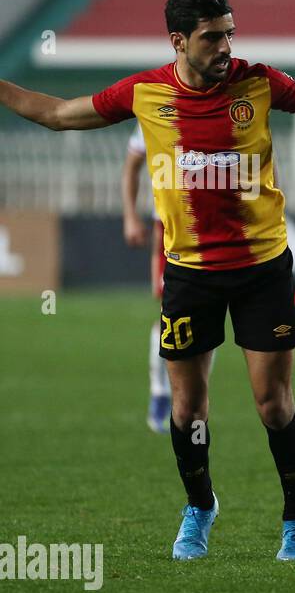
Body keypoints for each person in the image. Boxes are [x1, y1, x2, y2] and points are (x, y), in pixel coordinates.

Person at [0, 0, 295, 562]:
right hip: (189, 275)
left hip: (263, 269)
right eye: (212, 36)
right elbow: (55, 114)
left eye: (229, 31)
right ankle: (200, 507)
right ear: (178, 41)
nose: (226, 44)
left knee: (273, 404)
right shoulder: (144, 93)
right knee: (187, 409)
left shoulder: (258, 82)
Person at [121, 124, 171, 433]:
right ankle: (161, 389)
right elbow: (132, 166)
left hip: (225, 228)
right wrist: (130, 215)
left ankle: (187, 395)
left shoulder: (232, 99)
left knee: (210, 319)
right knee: (172, 316)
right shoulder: (155, 105)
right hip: (171, 227)